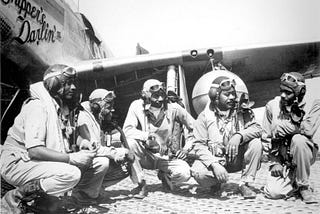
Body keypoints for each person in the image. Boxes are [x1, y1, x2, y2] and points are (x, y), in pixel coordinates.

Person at [0, 64, 96, 213]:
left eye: (73, 83)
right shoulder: (38, 107)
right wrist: (71, 158)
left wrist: (82, 142)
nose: (73, 87)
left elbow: (65, 135)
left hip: (29, 162)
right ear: (54, 83)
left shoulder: (55, 108)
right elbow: (35, 151)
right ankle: (17, 197)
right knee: (71, 173)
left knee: (81, 165)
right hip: (16, 163)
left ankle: (41, 202)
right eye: (67, 83)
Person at [190, 76, 263, 199]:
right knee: (197, 173)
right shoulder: (204, 117)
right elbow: (199, 145)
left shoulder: (242, 111)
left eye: (233, 94)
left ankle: (245, 184)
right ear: (215, 96)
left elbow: (257, 129)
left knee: (256, 143)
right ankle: (216, 183)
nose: (232, 97)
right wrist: (214, 165)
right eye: (227, 95)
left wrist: (239, 136)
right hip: (216, 160)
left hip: (237, 158)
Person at [123, 79, 195, 198]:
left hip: (165, 155)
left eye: (162, 95)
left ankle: (165, 175)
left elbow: (195, 127)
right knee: (130, 144)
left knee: (184, 173)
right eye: (155, 96)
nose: (160, 99)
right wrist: (150, 136)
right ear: (144, 94)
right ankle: (141, 183)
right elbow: (127, 131)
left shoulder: (173, 108)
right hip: (145, 154)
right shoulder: (136, 106)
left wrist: (186, 148)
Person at [262, 72, 318, 204]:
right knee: (273, 193)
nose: (283, 95)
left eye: (288, 93)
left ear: (300, 93)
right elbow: (266, 136)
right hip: (281, 156)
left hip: (303, 152)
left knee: (299, 139)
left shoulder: (313, 104)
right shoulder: (272, 105)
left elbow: (308, 130)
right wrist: (275, 161)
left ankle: (303, 185)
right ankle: (293, 181)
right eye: (282, 91)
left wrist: (281, 128)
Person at [74, 88, 131, 204]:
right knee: (103, 162)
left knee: (125, 167)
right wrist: (119, 153)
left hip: (88, 161)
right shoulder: (83, 117)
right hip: (80, 161)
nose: (112, 109)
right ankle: (81, 192)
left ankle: (93, 189)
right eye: (108, 106)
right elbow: (94, 149)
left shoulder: (95, 116)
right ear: (97, 105)